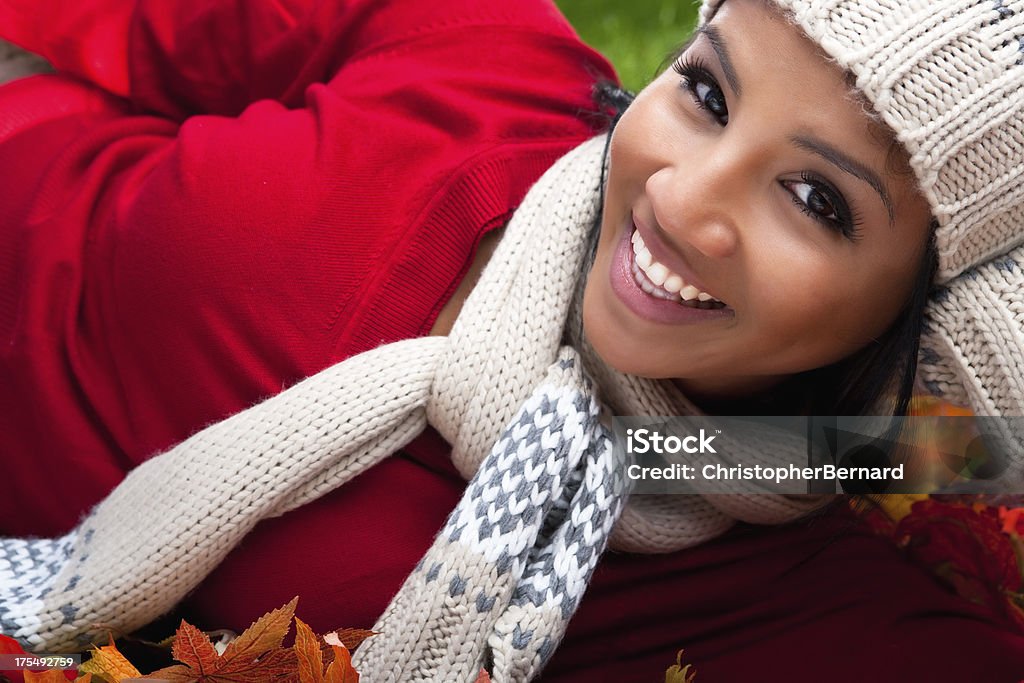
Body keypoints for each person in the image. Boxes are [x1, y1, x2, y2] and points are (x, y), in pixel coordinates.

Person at [2, 0, 1024, 681]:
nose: (680, 197)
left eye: (816, 200)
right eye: (708, 94)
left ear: (911, 315)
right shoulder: (482, 64)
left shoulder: (772, 606)